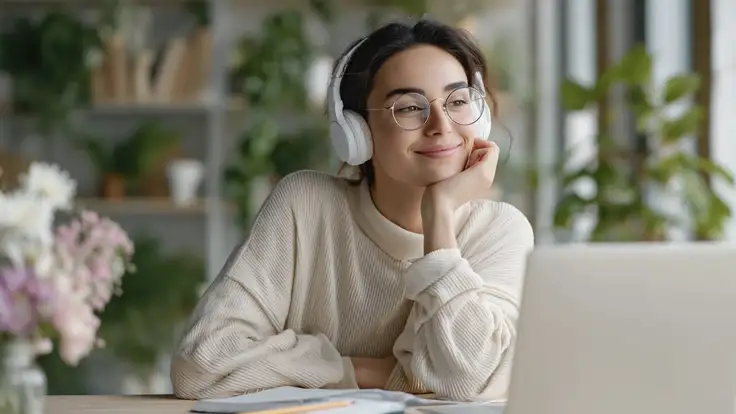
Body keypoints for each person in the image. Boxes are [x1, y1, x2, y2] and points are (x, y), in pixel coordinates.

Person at [170, 18, 534, 403]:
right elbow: (201, 367)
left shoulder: (500, 230)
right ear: (356, 132)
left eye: (458, 101)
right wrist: (367, 371)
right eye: (409, 107)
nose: (441, 125)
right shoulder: (305, 205)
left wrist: (439, 214)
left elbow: (467, 380)